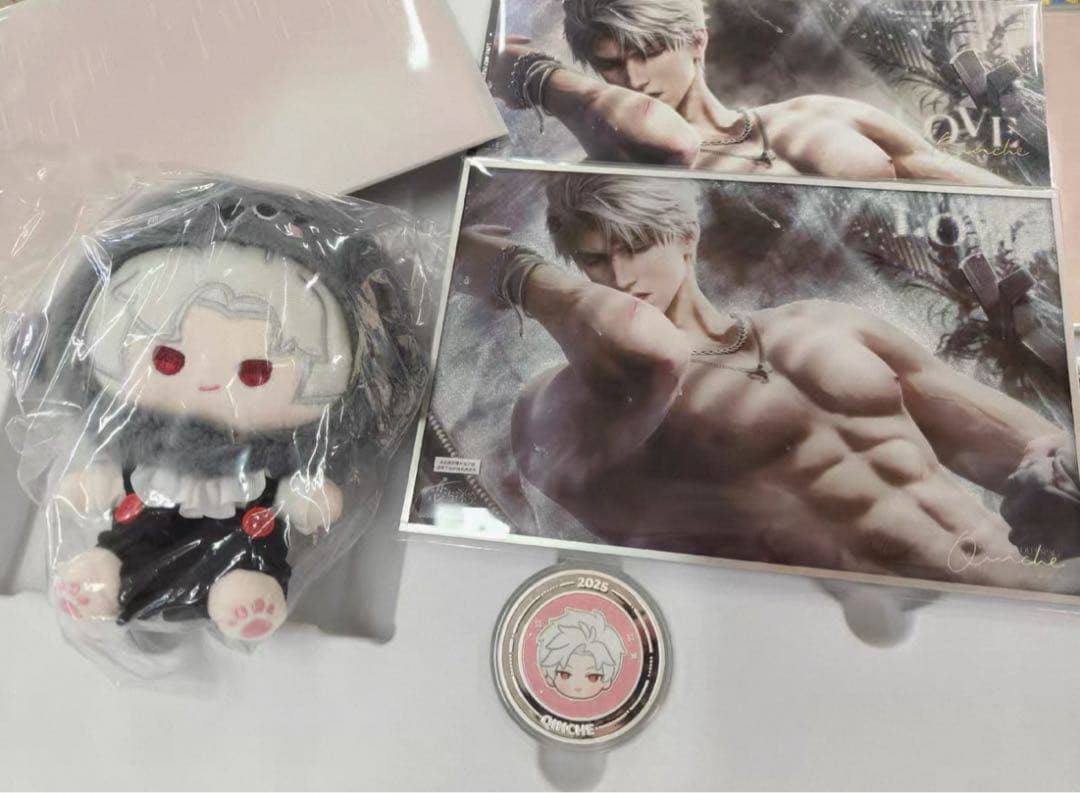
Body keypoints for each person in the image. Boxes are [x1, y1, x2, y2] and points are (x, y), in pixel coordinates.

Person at [456, 173, 1080, 593]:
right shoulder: (578, 405)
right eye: (595, 259)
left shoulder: (824, 325)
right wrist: (516, 273)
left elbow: (1027, 445)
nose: (619, 275)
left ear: (687, 236)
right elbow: (647, 343)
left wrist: (1058, 477)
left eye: (637, 245)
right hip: (860, 642)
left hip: (1029, 588)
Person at [488, 0, 1011, 186]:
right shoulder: (612, 169)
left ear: (696, 41)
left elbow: (964, 180)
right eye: (610, 63)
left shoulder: (819, 113)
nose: (633, 75)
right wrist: (532, 75)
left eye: (648, 50)